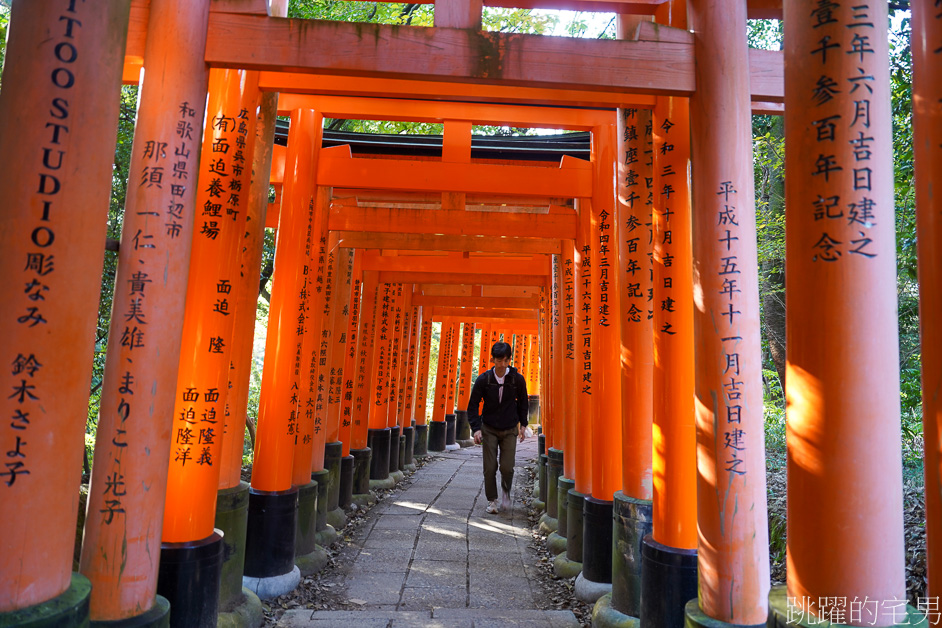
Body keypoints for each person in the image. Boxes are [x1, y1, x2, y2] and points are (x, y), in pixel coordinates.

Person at [466, 341, 529, 514]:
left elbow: (524, 402)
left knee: (507, 466)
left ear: (510, 360)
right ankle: (492, 500)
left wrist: (523, 424)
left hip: (510, 428)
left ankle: (506, 493)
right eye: (498, 361)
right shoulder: (484, 380)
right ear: (492, 359)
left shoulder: (517, 380)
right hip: (489, 427)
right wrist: (476, 428)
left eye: (505, 361)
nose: (502, 365)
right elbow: (472, 406)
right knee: (490, 467)